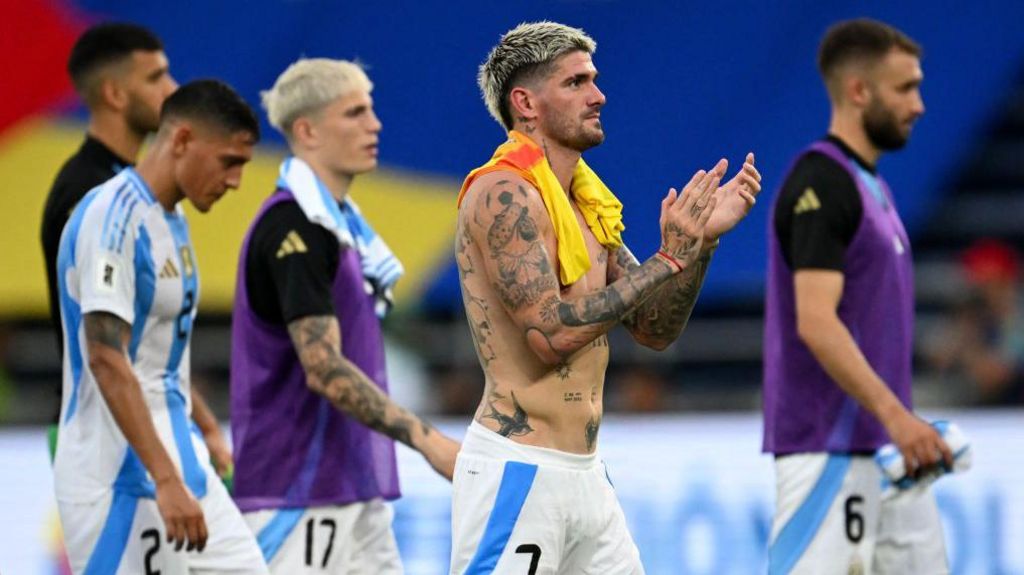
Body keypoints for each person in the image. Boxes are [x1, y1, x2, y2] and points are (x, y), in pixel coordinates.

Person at [452, 21, 761, 574]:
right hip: (521, 471)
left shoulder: (588, 204)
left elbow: (653, 328)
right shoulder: (503, 194)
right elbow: (551, 335)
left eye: (593, 80)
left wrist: (700, 246)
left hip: (588, 475)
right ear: (526, 102)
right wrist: (667, 258)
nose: (599, 95)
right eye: (576, 83)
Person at [230, 58, 459, 573]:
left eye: (371, 110)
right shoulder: (298, 229)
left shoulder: (337, 227)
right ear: (307, 130)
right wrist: (427, 439)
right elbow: (323, 368)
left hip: (347, 482)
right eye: (355, 113)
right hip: (298, 491)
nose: (374, 124)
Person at [762, 18, 953, 574]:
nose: (918, 104)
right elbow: (816, 322)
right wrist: (897, 417)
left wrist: (899, 426)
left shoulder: (873, 187)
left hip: (887, 451)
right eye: (905, 88)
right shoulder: (821, 184)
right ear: (858, 91)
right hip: (828, 450)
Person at [54, 79, 267, 573]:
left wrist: (208, 428)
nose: (236, 180)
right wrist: (165, 479)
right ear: (182, 140)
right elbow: (107, 359)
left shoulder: (171, 220)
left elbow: (155, 357)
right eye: (230, 161)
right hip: (119, 474)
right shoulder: (112, 217)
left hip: (179, 459)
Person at [40, 23, 231, 477]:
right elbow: (109, 350)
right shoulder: (89, 194)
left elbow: (151, 340)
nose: (173, 90)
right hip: (104, 434)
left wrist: (201, 423)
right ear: (115, 94)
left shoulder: (135, 191)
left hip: (142, 423)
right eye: (156, 77)